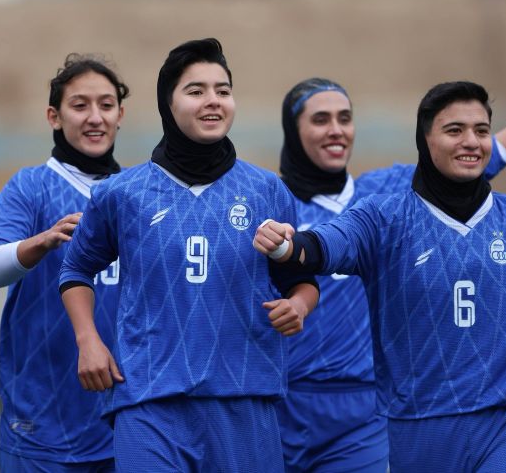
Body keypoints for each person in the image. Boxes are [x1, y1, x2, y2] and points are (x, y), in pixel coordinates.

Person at [255, 78, 506, 472]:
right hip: (290, 401)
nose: (336, 129)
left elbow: (483, 154)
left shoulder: (388, 188)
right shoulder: (273, 201)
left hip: (367, 408)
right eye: (321, 119)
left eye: (345, 118)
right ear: (292, 129)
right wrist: (287, 249)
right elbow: (311, 251)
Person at [59, 38, 320, 472]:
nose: (213, 101)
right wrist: (88, 340)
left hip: (245, 397)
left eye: (223, 90)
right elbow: (76, 269)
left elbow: (302, 280)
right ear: (168, 102)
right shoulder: (121, 193)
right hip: (148, 399)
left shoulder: (267, 190)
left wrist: (298, 306)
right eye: (196, 91)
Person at [0, 54, 128, 472]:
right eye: (80, 105)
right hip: (39, 418)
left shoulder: (138, 191)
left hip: (124, 415)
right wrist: (42, 241)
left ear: (120, 115)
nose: (95, 117)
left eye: (106, 105)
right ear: (54, 116)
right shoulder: (30, 187)